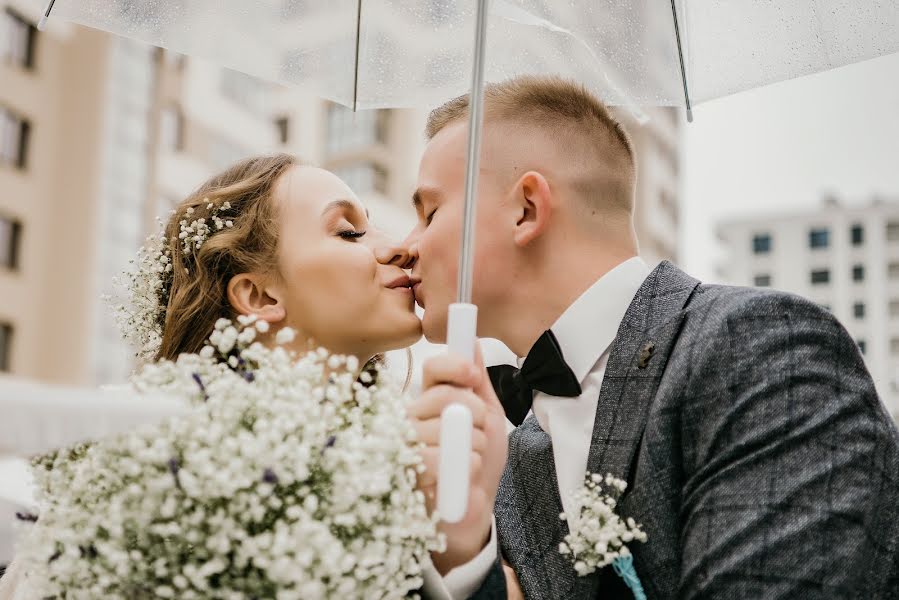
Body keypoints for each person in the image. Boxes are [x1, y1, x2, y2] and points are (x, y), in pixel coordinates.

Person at [403, 76, 899, 599]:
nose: (406, 246)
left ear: (526, 208)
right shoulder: (508, 457)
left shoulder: (762, 349)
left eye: (430, 212)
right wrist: (464, 556)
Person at [0, 154, 510, 599]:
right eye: (349, 231)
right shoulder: (149, 465)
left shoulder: (437, 463)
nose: (401, 247)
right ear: (261, 296)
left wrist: (462, 549)